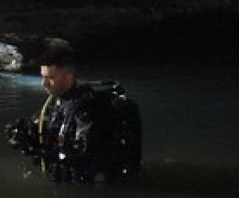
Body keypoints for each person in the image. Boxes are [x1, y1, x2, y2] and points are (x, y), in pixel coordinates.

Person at [7, 45, 142, 182]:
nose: (44, 84)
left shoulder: (88, 110)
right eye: (43, 77)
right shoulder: (57, 102)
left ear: (68, 77)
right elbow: (50, 132)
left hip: (89, 185)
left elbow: (82, 156)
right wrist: (24, 134)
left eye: (50, 78)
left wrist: (38, 150)